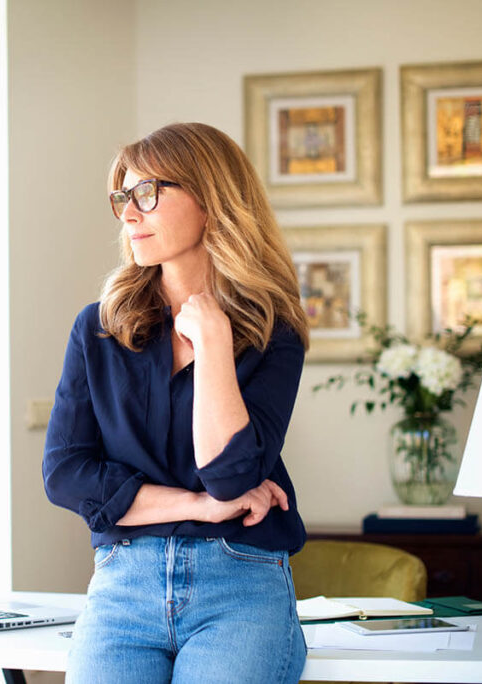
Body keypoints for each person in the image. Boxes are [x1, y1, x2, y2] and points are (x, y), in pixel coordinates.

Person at [42, 122, 310, 684]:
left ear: (211, 200)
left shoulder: (272, 331)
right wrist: (196, 506)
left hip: (240, 585)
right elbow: (66, 475)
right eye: (123, 198)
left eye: (148, 194)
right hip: (123, 586)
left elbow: (231, 476)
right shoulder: (98, 329)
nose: (129, 215)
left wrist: (213, 340)